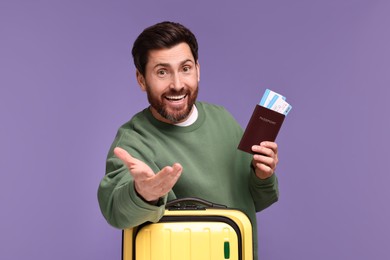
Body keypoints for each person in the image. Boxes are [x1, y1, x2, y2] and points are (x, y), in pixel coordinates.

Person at [98, 21, 279, 260]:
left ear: (198, 70)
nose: (177, 84)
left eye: (185, 68)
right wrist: (142, 194)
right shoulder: (133, 141)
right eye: (162, 72)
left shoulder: (223, 119)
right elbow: (116, 212)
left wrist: (262, 176)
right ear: (141, 80)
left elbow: (255, 202)